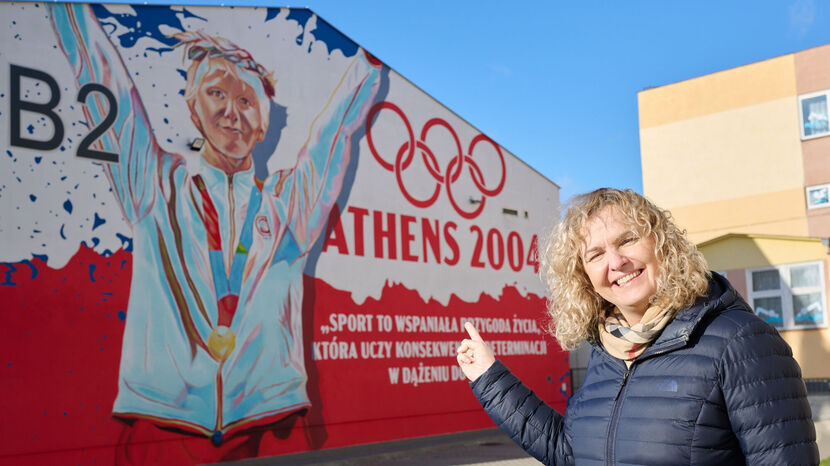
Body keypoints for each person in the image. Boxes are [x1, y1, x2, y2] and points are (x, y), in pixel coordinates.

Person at [50, 3, 381, 448]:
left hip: (273, 419)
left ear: (263, 124)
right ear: (193, 108)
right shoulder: (155, 186)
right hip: (161, 422)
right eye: (216, 94)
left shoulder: (287, 207)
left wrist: (368, 66)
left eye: (247, 101)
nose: (232, 112)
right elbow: (104, 80)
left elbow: (333, 135)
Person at [457, 188, 819, 465]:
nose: (616, 262)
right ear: (583, 276)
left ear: (661, 243)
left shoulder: (740, 340)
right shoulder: (607, 352)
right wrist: (490, 376)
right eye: (595, 254)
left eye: (627, 239)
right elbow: (570, 454)